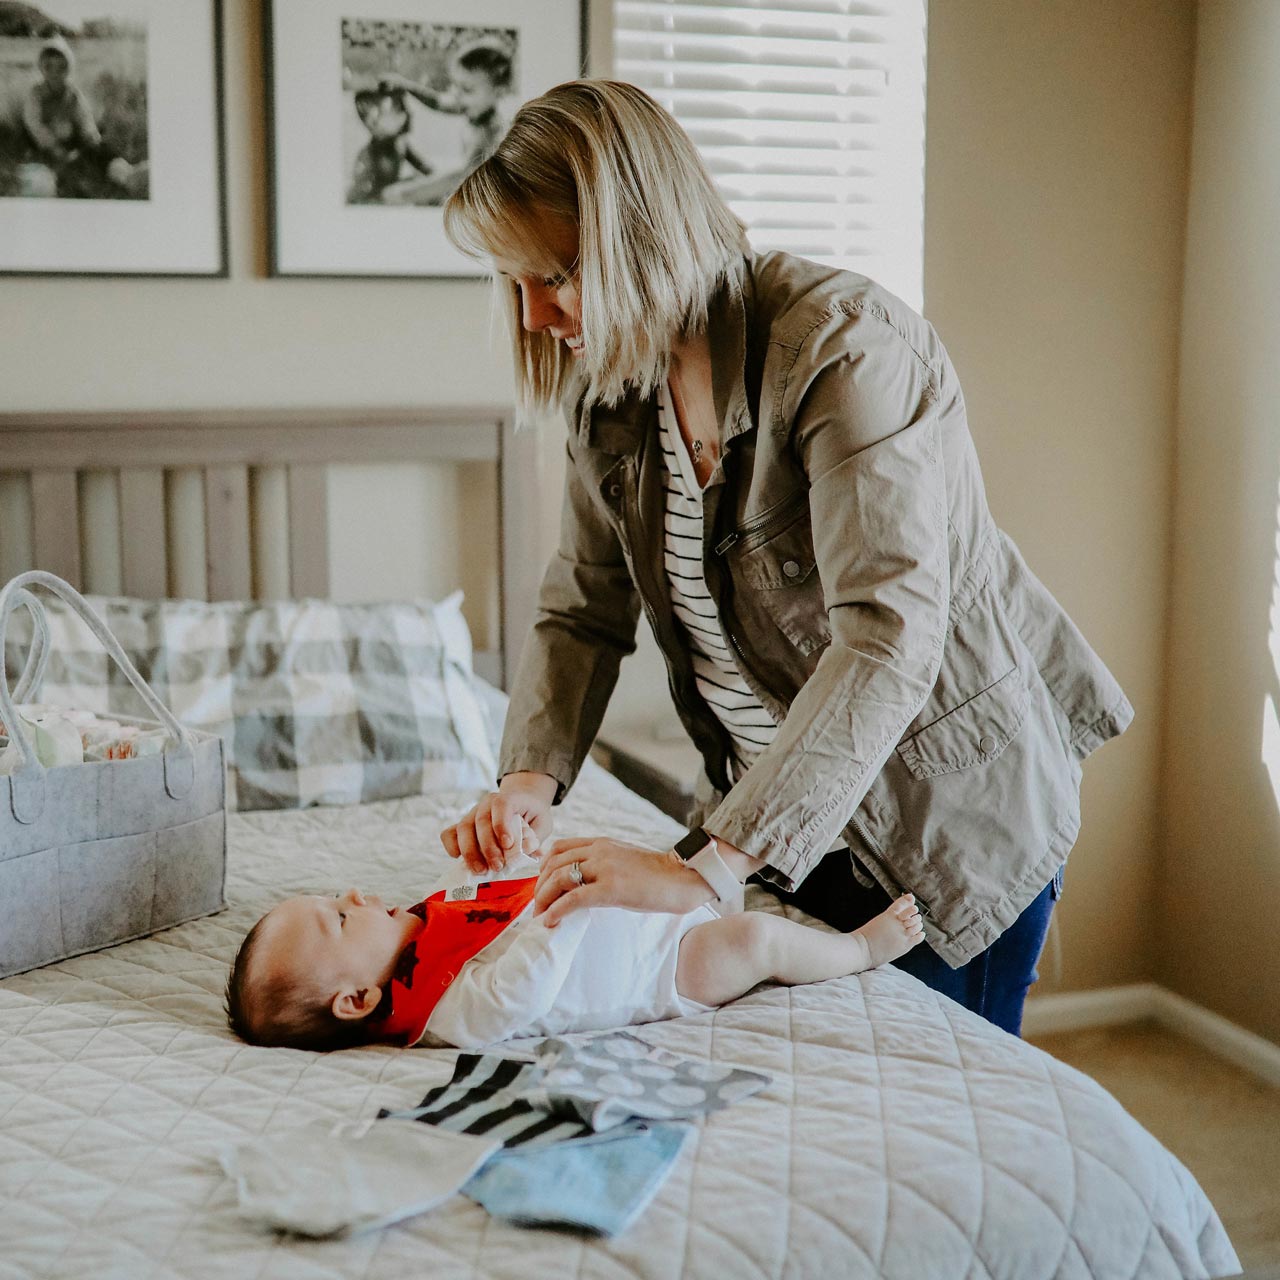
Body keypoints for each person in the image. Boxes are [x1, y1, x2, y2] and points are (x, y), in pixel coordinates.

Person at [438, 80, 1134, 1038]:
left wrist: (704, 870)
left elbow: (885, 640)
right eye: (512, 283)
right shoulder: (613, 399)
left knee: (931, 1126)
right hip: (769, 819)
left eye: (551, 275)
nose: (530, 318)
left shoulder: (844, 353)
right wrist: (527, 787)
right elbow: (582, 609)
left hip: (937, 818)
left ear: (641, 236)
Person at [223, 847, 924, 1051]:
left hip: (652, 910)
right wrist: (567, 907)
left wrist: (487, 847)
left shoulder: (416, 925)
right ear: (358, 999)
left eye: (333, 897)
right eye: (341, 919)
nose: (352, 894)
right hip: (662, 970)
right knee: (755, 939)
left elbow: (478, 895)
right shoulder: (441, 1014)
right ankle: (859, 951)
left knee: (709, 845)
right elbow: (515, 995)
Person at [376, 36, 513, 206]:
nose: (456, 94)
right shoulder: (471, 106)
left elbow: (462, 175)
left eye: (467, 89)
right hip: (470, 183)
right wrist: (405, 85)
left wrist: (408, 193)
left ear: (498, 93)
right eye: (455, 85)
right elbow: (437, 102)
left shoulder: (491, 131)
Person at [20, 35, 136, 198]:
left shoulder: (73, 95)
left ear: (68, 69)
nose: (55, 73)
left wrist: (91, 138)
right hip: (43, 141)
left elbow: (85, 119)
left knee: (98, 149)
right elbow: (34, 124)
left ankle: (124, 173)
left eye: (61, 68)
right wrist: (54, 147)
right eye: (48, 67)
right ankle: (55, 179)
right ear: (42, 68)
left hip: (69, 138)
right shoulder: (36, 94)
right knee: (42, 163)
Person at [346, 86, 433, 205]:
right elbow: (369, 189)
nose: (406, 114)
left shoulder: (399, 143)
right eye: (396, 109)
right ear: (374, 122)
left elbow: (423, 167)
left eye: (402, 108)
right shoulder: (371, 153)